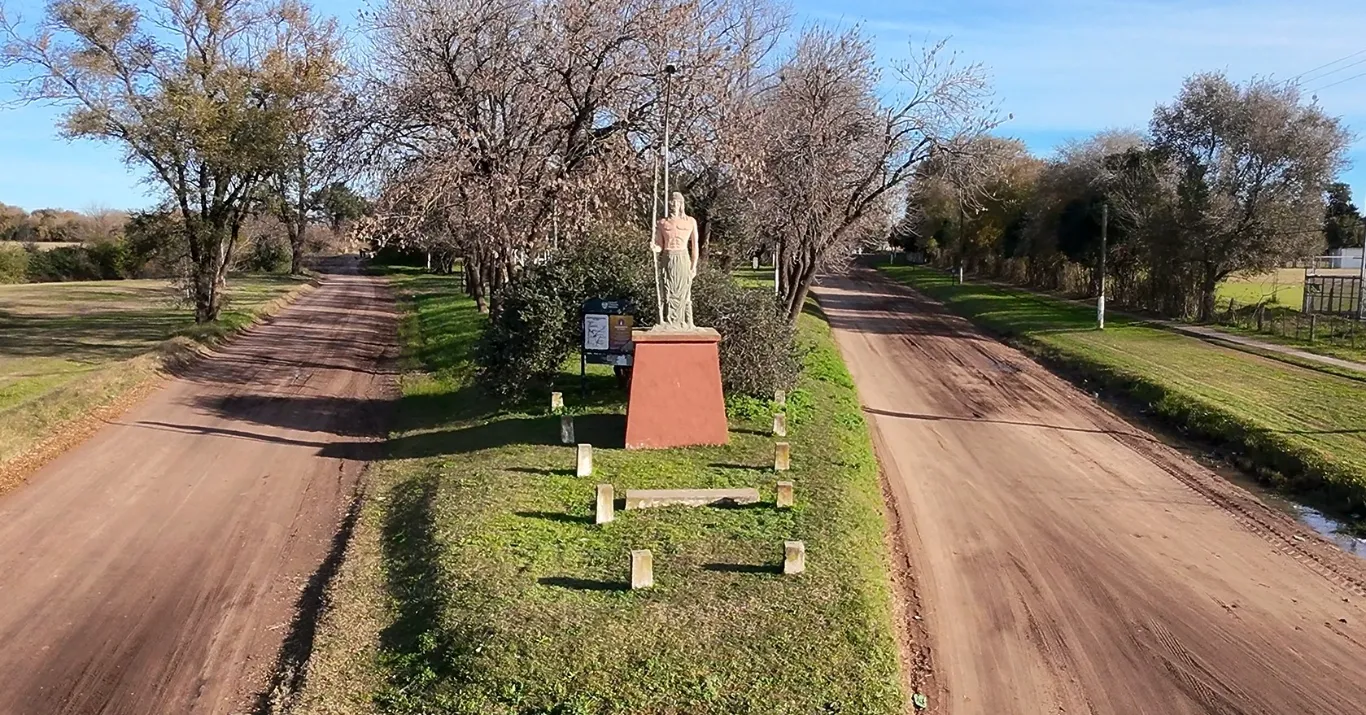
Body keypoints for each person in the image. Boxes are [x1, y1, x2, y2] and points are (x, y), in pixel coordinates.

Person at [652, 192, 699, 328]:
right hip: (668, 257)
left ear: (681, 204)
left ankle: (687, 322)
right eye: (671, 202)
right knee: (667, 290)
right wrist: (654, 247)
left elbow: (695, 246)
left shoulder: (690, 222)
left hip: (683, 257)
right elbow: (660, 246)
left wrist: (694, 266)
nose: (673, 204)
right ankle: (666, 321)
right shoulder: (661, 223)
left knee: (684, 291)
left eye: (676, 202)